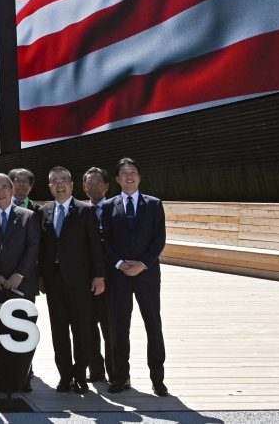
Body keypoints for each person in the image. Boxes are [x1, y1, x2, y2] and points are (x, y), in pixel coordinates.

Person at [102, 157, 168, 397]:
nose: (129, 176)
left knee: (153, 325)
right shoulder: (108, 206)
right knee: (119, 327)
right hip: (118, 276)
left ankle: (158, 379)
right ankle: (121, 377)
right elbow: (104, 240)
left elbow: (159, 239)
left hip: (146, 274)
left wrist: (143, 264)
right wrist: (119, 263)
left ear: (139, 177)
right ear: (117, 179)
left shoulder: (154, 204)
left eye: (133, 172)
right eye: (124, 173)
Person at [38, 166, 105, 394]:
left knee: (82, 329)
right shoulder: (43, 212)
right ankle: (65, 376)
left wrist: (99, 275)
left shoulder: (85, 211)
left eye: (63, 180)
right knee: (59, 331)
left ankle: (80, 375)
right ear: (50, 186)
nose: (60, 184)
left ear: (72, 184)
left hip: (80, 281)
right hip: (53, 281)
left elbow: (95, 246)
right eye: (54, 181)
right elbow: (42, 249)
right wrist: (40, 276)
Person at [0, 173, 39, 395]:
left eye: (4, 187)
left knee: (21, 334)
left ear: (12, 190)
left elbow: (33, 246)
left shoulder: (28, 216)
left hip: (20, 286)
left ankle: (23, 377)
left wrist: (20, 274)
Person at [81, 166, 114, 383]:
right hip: (85, 279)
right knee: (89, 326)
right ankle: (96, 370)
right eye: (89, 183)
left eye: (98, 183)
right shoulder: (81, 211)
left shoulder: (115, 209)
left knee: (110, 327)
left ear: (107, 186)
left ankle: (115, 372)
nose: (93, 187)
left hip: (112, 278)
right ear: (84, 187)